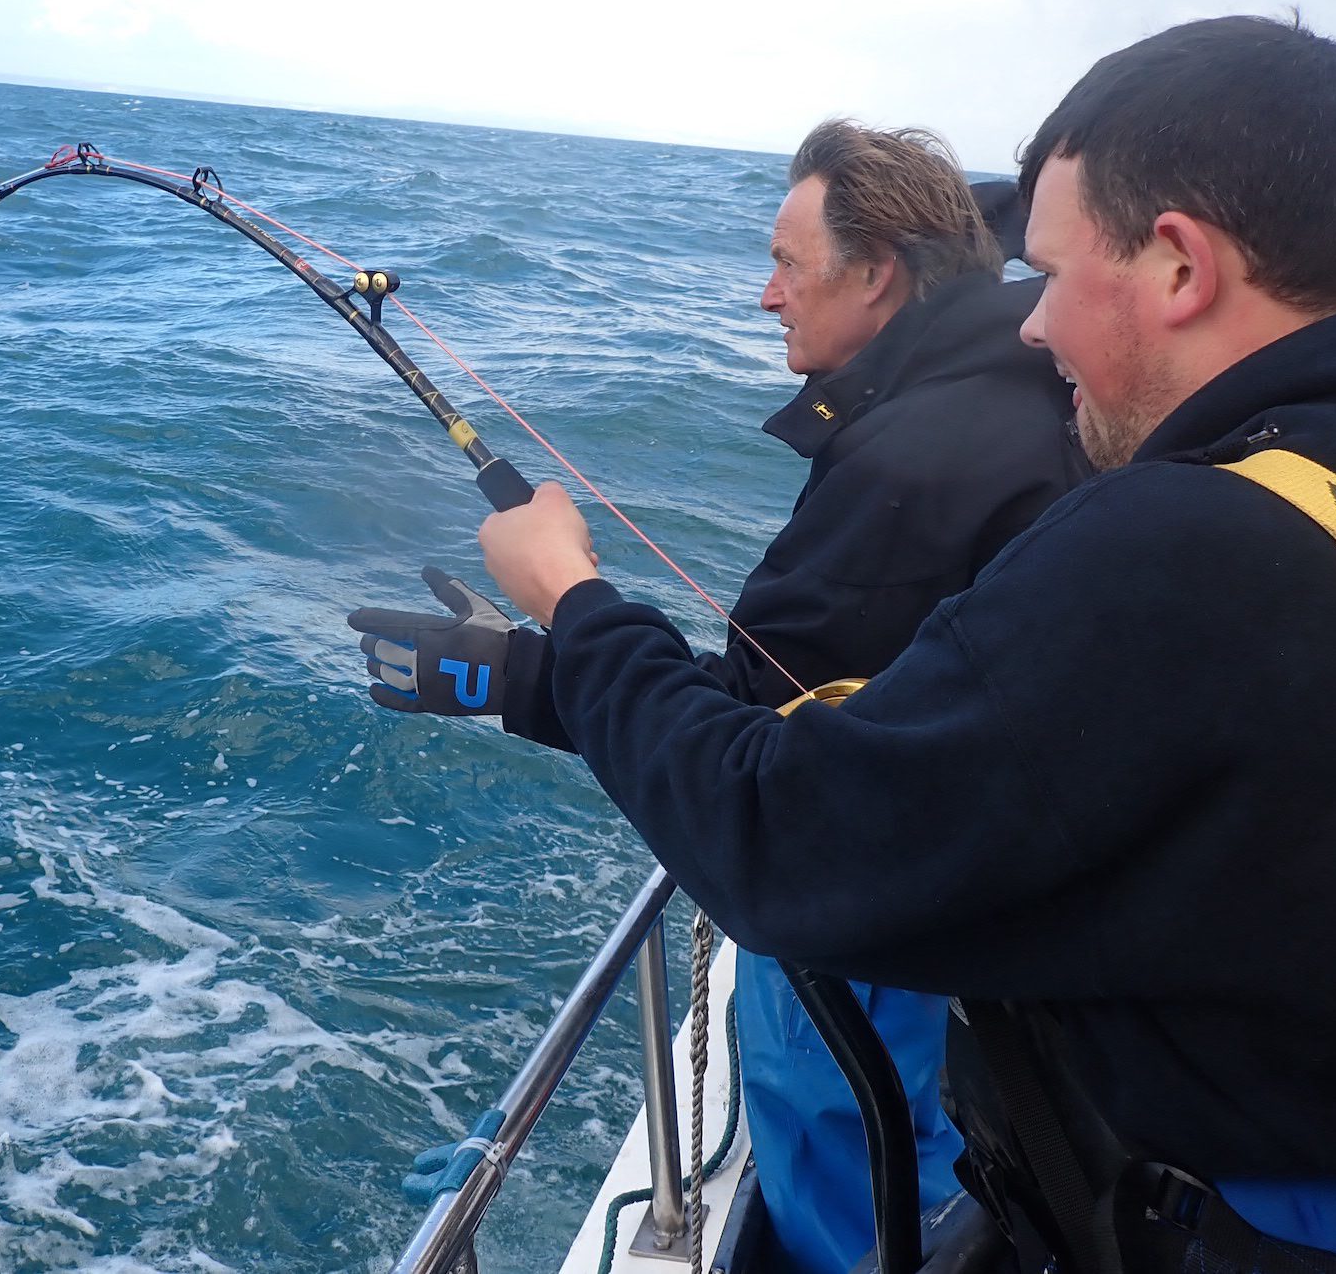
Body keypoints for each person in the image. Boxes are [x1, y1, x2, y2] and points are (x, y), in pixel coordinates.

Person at [473, 15, 1336, 1272]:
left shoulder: (1189, 543)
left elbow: (782, 841)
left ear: (1175, 267)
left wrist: (570, 600)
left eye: (1047, 273)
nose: (1030, 326)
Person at [351, 122, 1086, 1271]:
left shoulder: (918, 461)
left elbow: (742, 780)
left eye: (788, 263)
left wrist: (559, 604)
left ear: (878, 271)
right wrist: (521, 672)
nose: (764, 295)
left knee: (874, 1210)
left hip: (888, 966)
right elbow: (771, 700)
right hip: (973, 931)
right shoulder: (1003, 394)